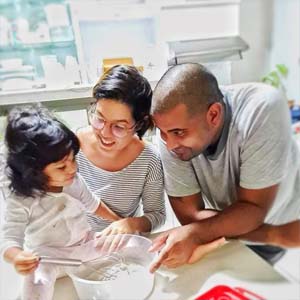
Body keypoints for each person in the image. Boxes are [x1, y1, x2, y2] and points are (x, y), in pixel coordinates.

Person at [149, 63, 300, 272]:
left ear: (213, 115)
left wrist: (274, 234)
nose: (170, 144)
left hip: (285, 227)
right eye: (163, 132)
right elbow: (189, 215)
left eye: (179, 132)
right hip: (235, 232)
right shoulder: (169, 130)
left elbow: (253, 210)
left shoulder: (262, 109)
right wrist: (209, 228)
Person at [0, 105, 123, 300]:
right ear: (34, 171)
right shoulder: (21, 199)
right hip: (49, 259)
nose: (72, 168)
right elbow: (8, 241)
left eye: (73, 159)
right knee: (35, 281)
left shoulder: (73, 181)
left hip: (85, 246)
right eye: (61, 166)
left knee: (124, 243)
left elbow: (94, 205)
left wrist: (120, 221)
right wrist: (17, 257)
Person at [75, 64, 165, 235]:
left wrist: (131, 224)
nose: (105, 133)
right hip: (73, 246)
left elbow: (157, 215)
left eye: (119, 126)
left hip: (121, 247)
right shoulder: (72, 147)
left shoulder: (148, 159)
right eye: (99, 119)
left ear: (139, 124)